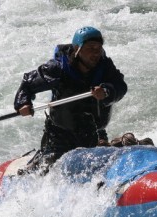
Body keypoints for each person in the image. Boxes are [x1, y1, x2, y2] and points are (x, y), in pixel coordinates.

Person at [14, 26, 127, 171]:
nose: (95, 53)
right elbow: (28, 83)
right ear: (77, 49)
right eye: (90, 48)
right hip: (60, 134)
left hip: (94, 132)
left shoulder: (105, 67)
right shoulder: (58, 68)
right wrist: (23, 102)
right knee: (47, 169)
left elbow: (120, 86)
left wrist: (107, 91)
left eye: (98, 48)